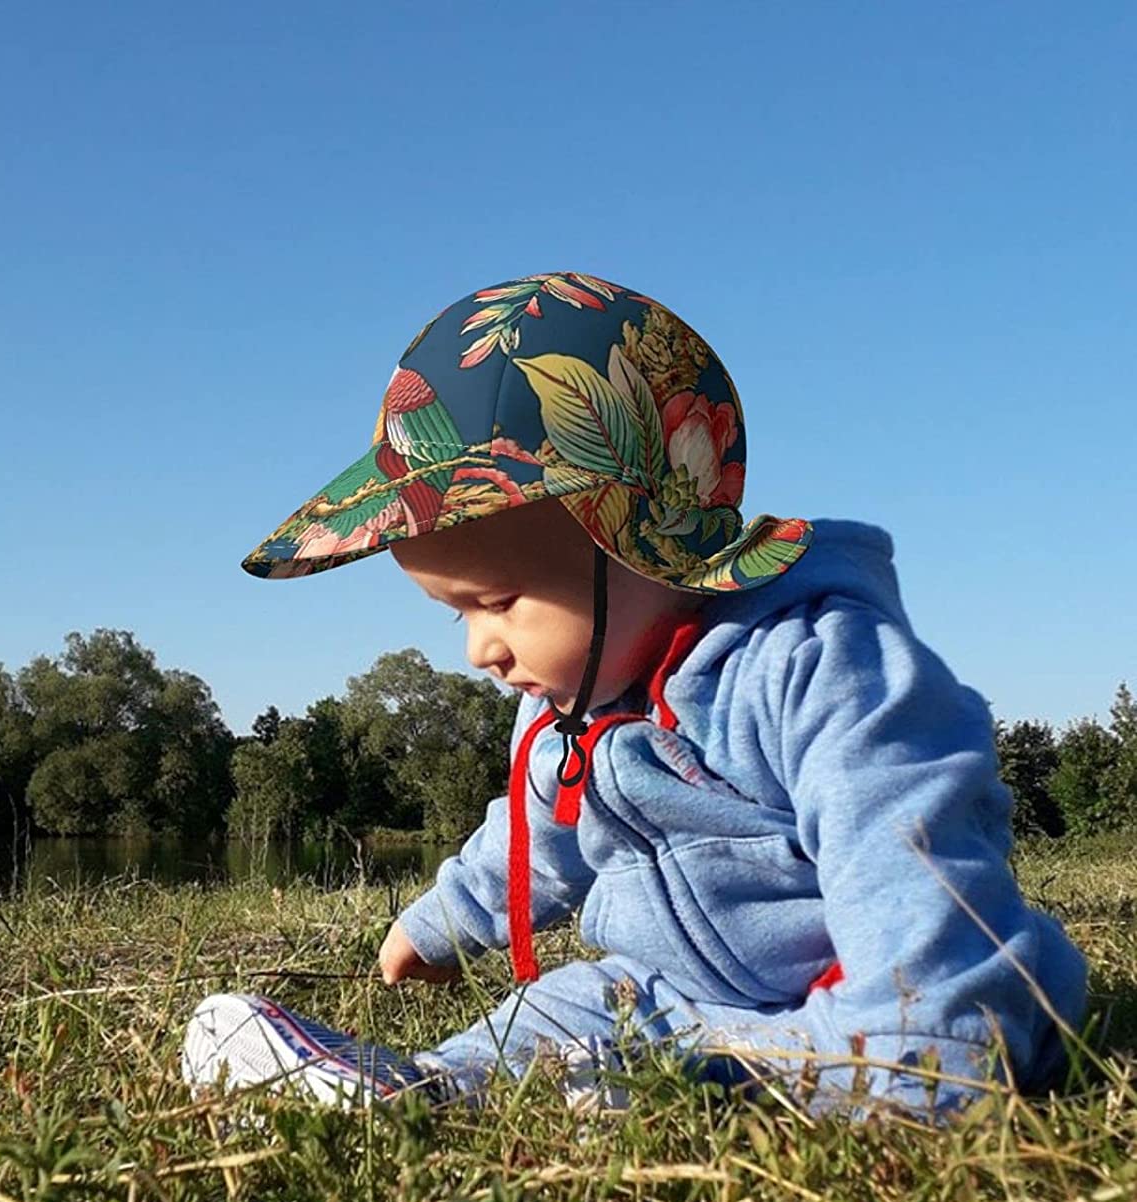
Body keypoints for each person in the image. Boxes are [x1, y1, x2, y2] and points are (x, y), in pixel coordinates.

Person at [182, 272, 1088, 1119]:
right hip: (682, 1002)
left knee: (892, 1048)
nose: (478, 650)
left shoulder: (809, 664)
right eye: (453, 615)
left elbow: (903, 840)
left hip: (871, 996)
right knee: (576, 1003)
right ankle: (420, 1087)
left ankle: (862, 1074)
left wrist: (922, 1024)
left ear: (640, 543)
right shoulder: (566, 710)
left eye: (496, 603)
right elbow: (533, 838)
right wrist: (444, 922)